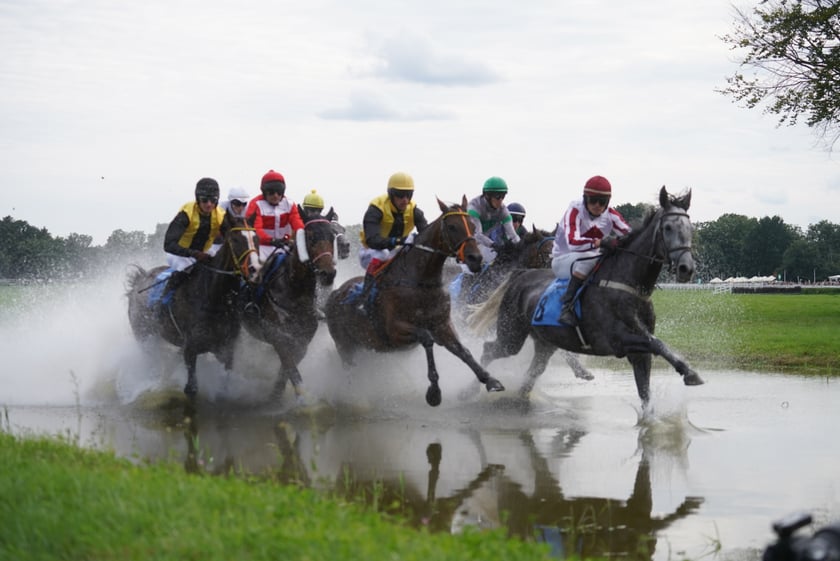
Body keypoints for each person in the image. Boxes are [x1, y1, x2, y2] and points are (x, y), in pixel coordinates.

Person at [551, 175, 631, 326]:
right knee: (590, 258)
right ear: (584, 198)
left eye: (602, 202)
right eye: (592, 200)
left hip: (589, 258)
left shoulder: (612, 215)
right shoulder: (574, 210)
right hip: (563, 259)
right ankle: (566, 307)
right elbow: (573, 243)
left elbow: (630, 236)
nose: (597, 205)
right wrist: (600, 243)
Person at [357, 171, 429, 299]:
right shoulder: (376, 208)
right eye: (400, 195)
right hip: (371, 251)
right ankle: (365, 296)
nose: (405, 200)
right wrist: (400, 240)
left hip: (396, 251)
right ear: (391, 194)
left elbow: (426, 235)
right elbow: (373, 240)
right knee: (383, 254)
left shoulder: (414, 211)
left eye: (408, 195)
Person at [163, 177, 228, 272]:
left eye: (213, 200)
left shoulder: (221, 215)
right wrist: (193, 253)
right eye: (204, 200)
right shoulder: (186, 214)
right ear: (198, 199)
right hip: (179, 256)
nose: (209, 204)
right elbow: (168, 245)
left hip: (204, 253)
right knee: (190, 272)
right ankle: (169, 287)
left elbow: (230, 239)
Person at [245, 169, 304, 263]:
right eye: (271, 192)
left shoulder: (290, 204)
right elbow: (256, 229)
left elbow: (297, 224)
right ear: (264, 192)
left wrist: (301, 234)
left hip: (285, 246)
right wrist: (271, 240)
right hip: (262, 247)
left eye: (279, 192)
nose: (275, 196)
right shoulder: (256, 204)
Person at [466, 176, 521, 263]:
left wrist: (521, 247)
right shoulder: (474, 208)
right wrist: (494, 245)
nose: (501, 200)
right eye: (498, 196)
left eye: (503, 196)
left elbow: (513, 236)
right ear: (487, 195)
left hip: (485, 244)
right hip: (468, 244)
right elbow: (477, 235)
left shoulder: (503, 211)